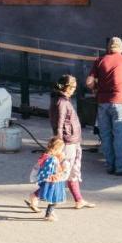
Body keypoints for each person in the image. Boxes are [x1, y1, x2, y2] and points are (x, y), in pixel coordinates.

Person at [29, 75, 93, 210]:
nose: (74, 90)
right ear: (66, 87)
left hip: (70, 141)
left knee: (71, 172)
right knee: (62, 173)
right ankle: (35, 196)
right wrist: (59, 145)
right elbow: (59, 124)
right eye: (73, 87)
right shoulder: (62, 102)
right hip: (67, 142)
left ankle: (79, 200)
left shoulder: (59, 100)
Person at [86, 37, 122, 176]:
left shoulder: (99, 60)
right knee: (119, 136)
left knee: (105, 136)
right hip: (118, 102)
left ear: (108, 48)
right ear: (121, 48)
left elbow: (89, 82)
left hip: (102, 102)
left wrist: (94, 89)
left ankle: (110, 166)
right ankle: (121, 168)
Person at [30, 137, 68, 221]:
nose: (62, 151)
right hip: (54, 181)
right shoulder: (52, 159)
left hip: (53, 180)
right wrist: (62, 167)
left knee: (50, 195)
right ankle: (48, 215)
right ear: (57, 148)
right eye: (61, 149)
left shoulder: (48, 156)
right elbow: (54, 170)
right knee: (55, 199)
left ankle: (35, 197)